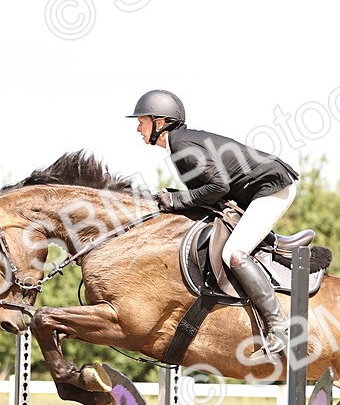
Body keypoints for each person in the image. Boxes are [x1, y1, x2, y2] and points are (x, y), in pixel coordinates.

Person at [128, 89, 300, 361]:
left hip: (271, 188)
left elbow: (218, 185)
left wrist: (175, 200)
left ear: (160, 123)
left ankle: (280, 328)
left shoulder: (182, 146)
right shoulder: (180, 144)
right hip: (254, 190)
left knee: (235, 253)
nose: (138, 127)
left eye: (142, 121)